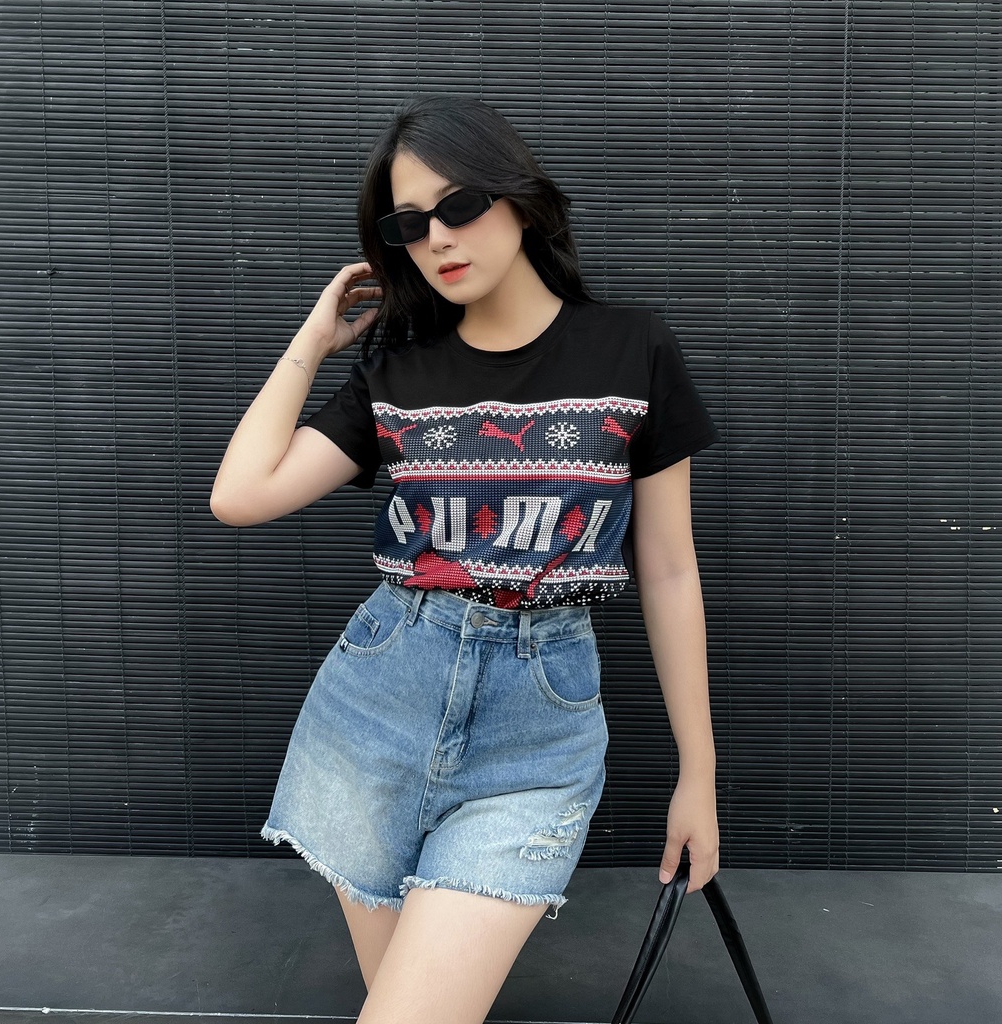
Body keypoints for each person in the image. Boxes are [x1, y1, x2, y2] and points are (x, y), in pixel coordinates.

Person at [210, 94, 720, 1024]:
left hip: (539, 734)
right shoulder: (396, 373)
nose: (437, 237)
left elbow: (670, 571)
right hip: (375, 708)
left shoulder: (632, 349)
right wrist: (313, 341)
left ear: (519, 198)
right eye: (408, 224)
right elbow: (240, 497)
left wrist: (700, 773)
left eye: (459, 205)